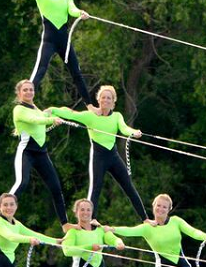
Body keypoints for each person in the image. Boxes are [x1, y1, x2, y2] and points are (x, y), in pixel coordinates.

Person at [49, 85, 147, 220]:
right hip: (98, 158)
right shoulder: (90, 116)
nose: (106, 100)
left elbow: (124, 129)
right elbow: (71, 114)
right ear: (98, 99)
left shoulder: (117, 116)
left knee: (129, 187)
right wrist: (52, 111)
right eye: (103, 97)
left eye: (109, 98)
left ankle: (146, 219)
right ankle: (90, 221)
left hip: (113, 157)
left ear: (113, 101)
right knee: (95, 189)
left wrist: (134, 132)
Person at [12, 0, 92, 106]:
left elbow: (72, 9)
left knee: (76, 72)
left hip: (64, 41)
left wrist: (80, 13)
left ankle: (91, 106)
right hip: (49, 40)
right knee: (41, 69)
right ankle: (26, 102)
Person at [8, 79, 69, 227]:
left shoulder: (35, 108)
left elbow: (41, 116)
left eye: (31, 89)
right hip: (26, 152)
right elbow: (34, 120)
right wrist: (50, 119)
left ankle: (65, 224)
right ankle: (4, 214)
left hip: (41, 153)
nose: (29, 92)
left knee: (56, 186)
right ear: (19, 93)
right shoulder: (19, 109)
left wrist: (53, 113)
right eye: (25, 90)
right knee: (22, 182)